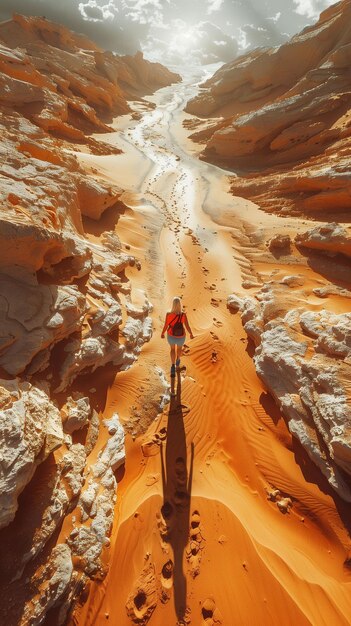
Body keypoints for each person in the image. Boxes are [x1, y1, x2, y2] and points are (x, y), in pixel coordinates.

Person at [161, 297, 194, 377]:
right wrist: (191, 334)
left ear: (173, 305)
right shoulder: (183, 315)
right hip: (181, 336)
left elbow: (166, 325)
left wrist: (162, 333)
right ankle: (178, 361)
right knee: (179, 349)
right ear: (180, 305)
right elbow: (187, 326)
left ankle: (172, 366)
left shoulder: (168, 314)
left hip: (171, 335)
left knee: (172, 349)